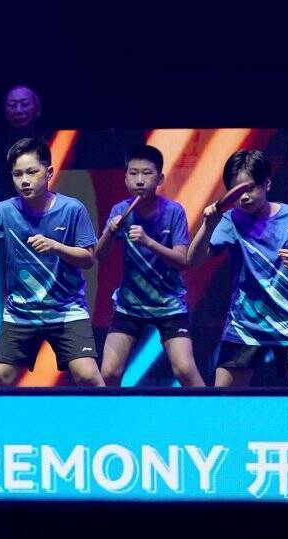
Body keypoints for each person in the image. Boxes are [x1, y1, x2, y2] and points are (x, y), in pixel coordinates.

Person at [0, 138, 104, 386]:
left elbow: (88, 259)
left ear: (49, 172)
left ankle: (106, 413)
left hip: (66, 310)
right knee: (0, 378)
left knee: (88, 376)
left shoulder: (72, 209)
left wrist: (55, 246)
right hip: (21, 313)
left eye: (31, 172)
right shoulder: (5, 210)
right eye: (17, 174)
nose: (24, 180)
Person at [187, 149, 288, 387]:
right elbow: (193, 260)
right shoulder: (229, 220)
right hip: (245, 324)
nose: (244, 197)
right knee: (224, 398)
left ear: (266, 183)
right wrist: (207, 225)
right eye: (236, 191)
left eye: (249, 188)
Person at [95, 144, 204, 387]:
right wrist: (110, 232)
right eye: (133, 173)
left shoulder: (174, 211)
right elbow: (99, 255)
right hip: (129, 306)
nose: (140, 180)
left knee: (185, 370)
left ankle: (210, 410)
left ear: (160, 179)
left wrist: (148, 242)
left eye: (147, 173)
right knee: (109, 373)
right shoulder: (120, 211)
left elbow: (182, 261)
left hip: (169, 306)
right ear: (125, 178)